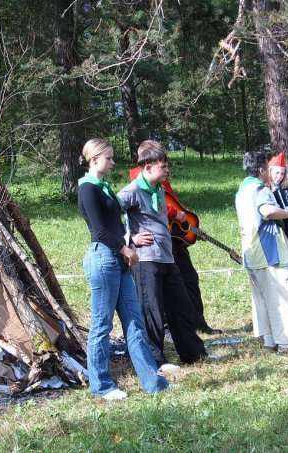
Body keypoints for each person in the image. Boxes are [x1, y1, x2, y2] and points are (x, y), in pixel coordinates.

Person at [78, 138, 168, 400]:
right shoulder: (87, 188)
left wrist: (127, 245)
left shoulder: (103, 187)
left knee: (135, 322)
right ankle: (102, 386)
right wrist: (126, 249)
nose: (113, 162)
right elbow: (100, 231)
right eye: (108, 158)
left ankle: (153, 383)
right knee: (101, 324)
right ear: (94, 159)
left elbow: (116, 226)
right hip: (104, 259)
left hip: (117, 258)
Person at [117, 146, 211, 368]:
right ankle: (155, 360)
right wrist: (129, 239)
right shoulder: (130, 191)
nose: (167, 170)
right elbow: (108, 215)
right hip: (145, 259)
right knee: (152, 310)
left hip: (167, 258)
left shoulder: (158, 189)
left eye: (167, 165)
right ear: (148, 167)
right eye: (163, 166)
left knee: (182, 307)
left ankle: (193, 354)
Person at [129, 140, 222, 335]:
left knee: (189, 280)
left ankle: (198, 321)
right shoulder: (137, 179)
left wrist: (190, 228)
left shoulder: (164, 180)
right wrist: (173, 213)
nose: (166, 167)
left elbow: (173, 203)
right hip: (155, 245)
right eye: (161, 161)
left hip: (174, 240)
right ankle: (166, 326)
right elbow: (150, 206)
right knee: (162, 288)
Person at [235, 151, 288, 355]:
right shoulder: (260, 189)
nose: (269, 171)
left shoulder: (242, 191)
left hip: (252, 254)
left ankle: (270, 341)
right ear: (261, 170)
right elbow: (267, 211)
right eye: (267, 168)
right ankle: (286, 343)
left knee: (262, 300)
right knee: (283, 296)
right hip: (270, 252)